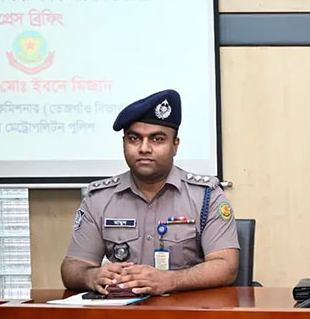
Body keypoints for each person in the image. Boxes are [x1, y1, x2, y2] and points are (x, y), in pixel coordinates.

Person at [61, 89, 239, 295]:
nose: (144, 148)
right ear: (124, 143)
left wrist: (170, 280)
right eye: (134, 139)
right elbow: (72, 268)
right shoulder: (99, 198)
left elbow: (226, 266)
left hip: (186, 310)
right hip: (120, 311)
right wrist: (91, 276)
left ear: (175, 145)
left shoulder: (206, 196)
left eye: (157, 139)